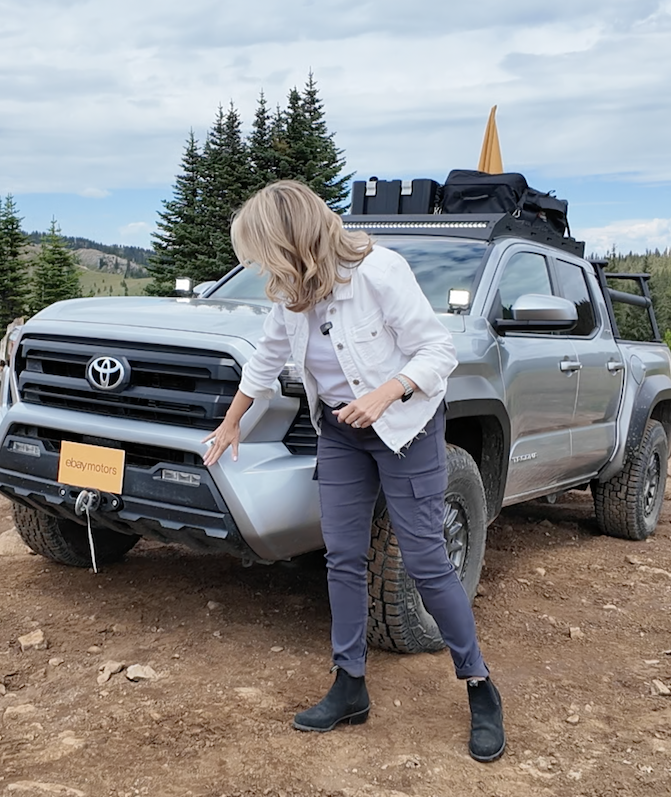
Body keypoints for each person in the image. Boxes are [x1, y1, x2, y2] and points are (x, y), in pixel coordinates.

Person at [201, 180, 506, 763]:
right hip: (340, 433)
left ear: (293, 239)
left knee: (423, 558)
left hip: (403, 431)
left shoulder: (379, 271)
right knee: (342, 555)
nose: (261, 265)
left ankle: (478, 685)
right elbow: (264, 360)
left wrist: (387, 394)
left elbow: (438, 353)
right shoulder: (290, 291)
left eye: (264, 250)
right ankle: (350, 685)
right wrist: (233, 422)